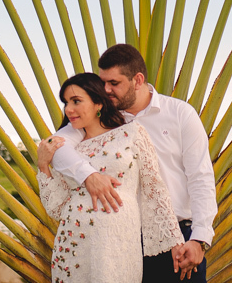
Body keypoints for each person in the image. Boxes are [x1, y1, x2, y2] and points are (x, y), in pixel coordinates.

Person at [39, 44, 217, 282]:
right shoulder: (98, 116)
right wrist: (88, 176)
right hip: (118, 239)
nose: (106, 89)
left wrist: (199, 239)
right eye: (103, 82)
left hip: (175, 235)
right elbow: (57, 146)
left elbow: (200, 177)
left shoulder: (179, 114)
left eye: (114, 83)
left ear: (138, 80)